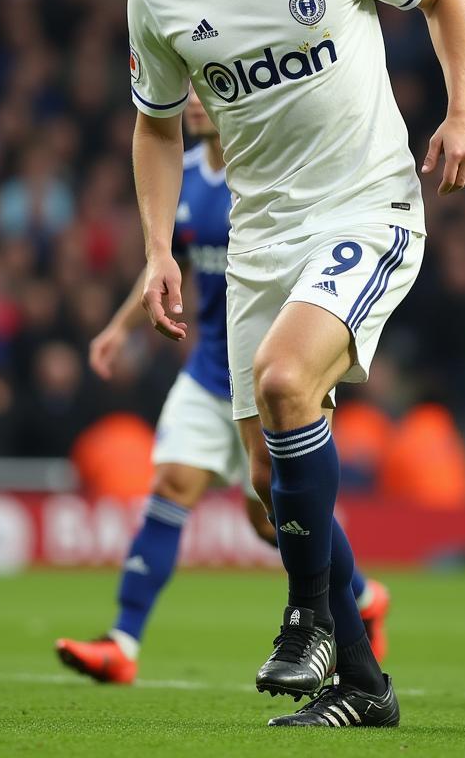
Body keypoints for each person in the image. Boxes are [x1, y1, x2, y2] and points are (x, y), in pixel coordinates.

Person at [128, 0, 465, 728]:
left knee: (288, 385)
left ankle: (307, 618)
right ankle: (365, 689)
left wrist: (463, 111)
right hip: (261, 238)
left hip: (368, 208)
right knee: (265, 479)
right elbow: (156, 128)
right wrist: (157, 246)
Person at [54, 89, 391, 685]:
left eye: (206, 94)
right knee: (171, 483)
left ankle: (360, 597)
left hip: (261, 376)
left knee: (271, 515)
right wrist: (117, 329)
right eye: (186, 96)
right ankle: (123, 642)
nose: (195, 106)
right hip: (208, 371)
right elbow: (162, 266)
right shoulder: (180, 178)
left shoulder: (267, 177)